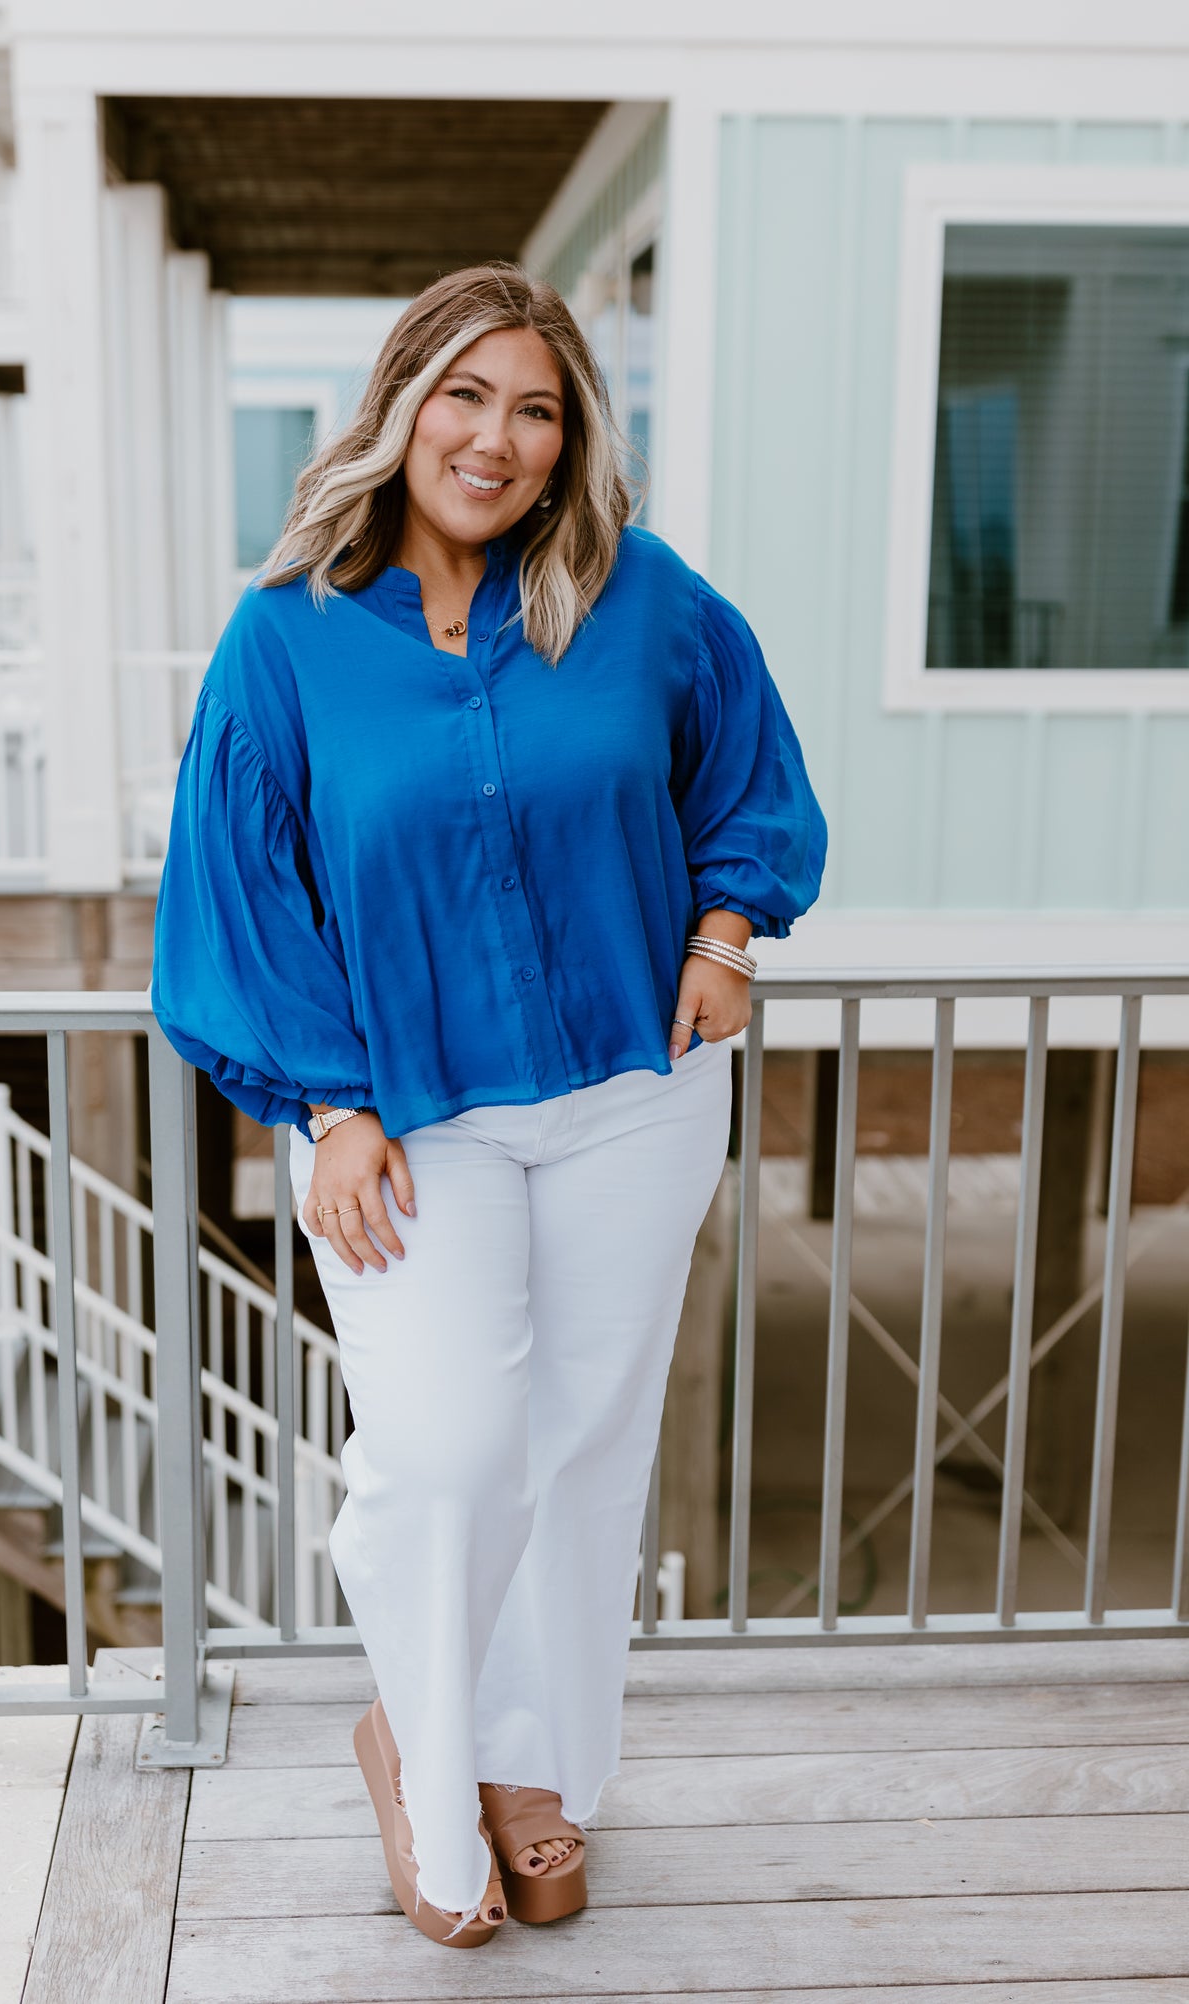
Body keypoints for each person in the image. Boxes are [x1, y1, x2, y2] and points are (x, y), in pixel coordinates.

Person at [150, 262, 826, 1949]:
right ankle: (419, 1741)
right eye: (466, 397)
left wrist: (729, 930)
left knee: (585, 1454)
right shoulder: (287, 634)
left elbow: (748, 774)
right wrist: (330, 1102)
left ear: (569, 438)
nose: (498, 438)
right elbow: (240, 892)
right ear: (398, 409)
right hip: (406, 1116)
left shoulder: (643, 599)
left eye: (537, 409)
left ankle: (534, 1770)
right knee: (445, 1451)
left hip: (634, 1091)